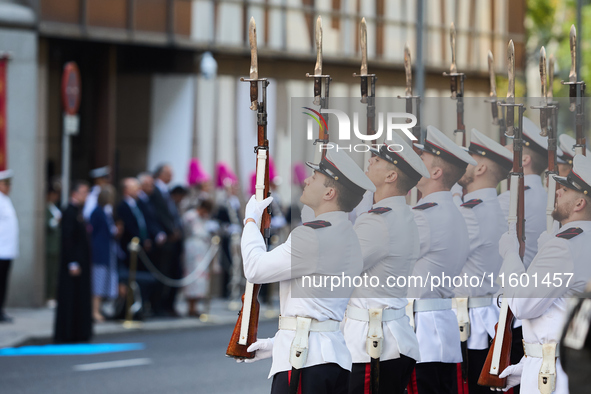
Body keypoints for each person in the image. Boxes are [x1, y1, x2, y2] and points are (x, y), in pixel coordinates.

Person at [237, 148, 376, 394]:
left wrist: (250, 220)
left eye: (315, 178)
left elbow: (255, 269)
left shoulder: (312, 236)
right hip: (333, 358)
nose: (306, 180)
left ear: (329, 192)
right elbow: (320, 310)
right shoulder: (350, 237)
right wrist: (274, 345)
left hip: (303, 362)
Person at [497, 154, 591, 394]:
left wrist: (510, 255)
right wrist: (528, 363)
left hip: (554, 376)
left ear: (580, 203)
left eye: (566, 190)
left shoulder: (564, 245)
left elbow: (522, 304)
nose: (557, 192)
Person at [343, 134, 428, 394]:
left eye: (377, 159)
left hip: (371, 345)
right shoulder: (399, 215)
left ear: (391, 176)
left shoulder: (378, 221)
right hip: (389, 339)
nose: (370, 161)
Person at [407, 125, 476, 394]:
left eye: (422, 158)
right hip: (440, 333)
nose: (415, 162)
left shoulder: (425, 215)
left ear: (436, 172)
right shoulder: (451, 211)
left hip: (421, 337)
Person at [454, 128, 513, 393]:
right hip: (483, 319)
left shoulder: (471, 212)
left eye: (467, 158)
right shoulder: (494, 207)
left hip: (469, 326)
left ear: (480, 169)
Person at [497, 117, 562, 268]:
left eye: (512, 146)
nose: (505, 148)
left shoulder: (511, 199)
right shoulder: (546, 196)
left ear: (524, 160)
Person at [54, 180, 93, 343]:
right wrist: (73, 262)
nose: (86, 196)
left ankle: (79, 332)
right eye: (84, 192)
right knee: (70, 298)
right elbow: (68, 240)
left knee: (79, 297)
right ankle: (68, 333)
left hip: (81, 262)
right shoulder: (69, 212)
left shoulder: (78, 211)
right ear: (75, 193)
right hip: (73, 264)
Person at [150, 164, 183, 316]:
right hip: (165, 240)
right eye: (168, 173)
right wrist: (170, 231)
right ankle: (157, 306)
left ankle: (167, 305)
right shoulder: (156, 191)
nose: (171, 176)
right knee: (162, 273)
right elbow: (158, 214)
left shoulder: (166, 191)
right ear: (160, 174)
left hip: (174, 240)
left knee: (173, 272)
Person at [89, 185, 119, 322]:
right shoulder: (97, 212)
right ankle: (94, 311)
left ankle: (98, 309)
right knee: (98, 282)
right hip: (99, 252)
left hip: (106, 251)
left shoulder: (105, 212)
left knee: (103, 281)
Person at [182, 199, 214, 317]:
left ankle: (195, 305)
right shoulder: (190, 216)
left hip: (202, 248)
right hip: (192, 247)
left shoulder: (205, 219)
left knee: (200, 278)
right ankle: (190, 305)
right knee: (192, 275)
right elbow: (186, 231)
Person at [0, 169, 18, 323]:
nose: (8, 187)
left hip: (7, 250)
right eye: (5, 183)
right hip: (1, 250)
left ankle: (1, 309)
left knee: (3, 282)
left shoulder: (5, 199)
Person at [45, 183, 62, 304]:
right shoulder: (46, 207)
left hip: (57, 244)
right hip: (50, 245)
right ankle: (49, 296)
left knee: (55, 272)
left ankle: (53, 295)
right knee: (50, 272)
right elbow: (48, 224)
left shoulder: (55, 207)